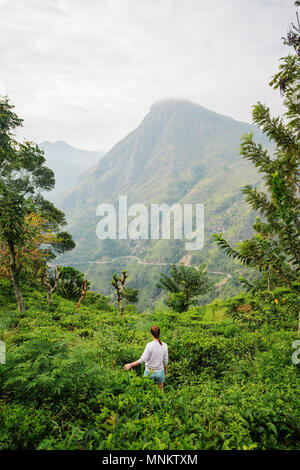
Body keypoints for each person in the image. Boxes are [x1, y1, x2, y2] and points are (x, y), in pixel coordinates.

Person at [123, 325, 168, 390]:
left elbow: (142, 360)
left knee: (148, 392)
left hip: (149, 373)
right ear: (159, 333)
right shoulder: (164, 345)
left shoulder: (149, 345)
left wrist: (130, 365)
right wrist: (165, 370)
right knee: (160, 392)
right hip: (160, 372)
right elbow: (165, 361)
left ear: (151, 334)